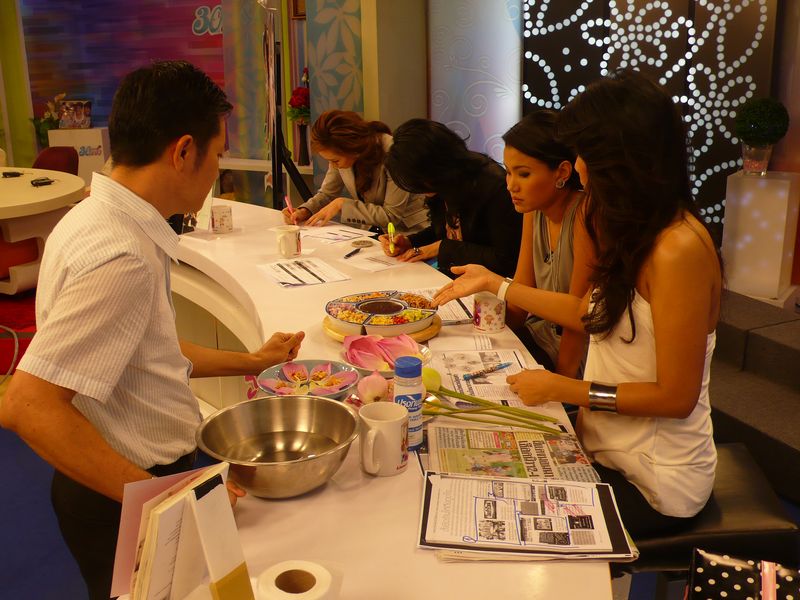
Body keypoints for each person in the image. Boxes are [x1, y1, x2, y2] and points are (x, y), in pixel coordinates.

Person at [0, 61, 305, 600]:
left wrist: (253, 362)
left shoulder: (97, 217)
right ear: (183, 151)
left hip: (112, 482)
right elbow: (26, 404)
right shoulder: (122, 255)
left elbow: (144, 350)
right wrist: (168, 499)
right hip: (118, 488)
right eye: (217, 154)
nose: (218, 170)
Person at [432, 69, 722, 538]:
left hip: (654, 482)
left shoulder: (678, 248)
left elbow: (676, 397)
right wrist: (498, 286)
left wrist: (565, 389)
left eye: (584, 154)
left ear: (618, 159)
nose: (579, 167)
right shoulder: (629, 228)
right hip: (603, 450)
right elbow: (589, 312)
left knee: (485, 523)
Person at [500, 111, 594, 376]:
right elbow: (519, 298)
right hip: (540, 338)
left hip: (581, 356)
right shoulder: (533, 211)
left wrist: (561, 385)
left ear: (562, 172)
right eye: (508, 172)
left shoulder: (584, 214)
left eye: (523, 174)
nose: (511, 186)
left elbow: (578, 321)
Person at [377, 118, 522, 278]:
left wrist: (442, 248)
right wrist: (410, 242)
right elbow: (445, 230)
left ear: (434, 165)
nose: (420, 191)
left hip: (490, 284)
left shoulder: (494, 187)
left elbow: (506, 259)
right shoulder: (444, 184)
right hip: (458, 277)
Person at [281, 110, 429, 233]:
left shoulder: (393, 153)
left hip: (410, 233)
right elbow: (327, 194)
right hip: (374, 233)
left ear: (352, 149)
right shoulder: (341, 156)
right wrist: (304, 211)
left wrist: (342, 204)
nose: (333, 166)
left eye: (335, 160)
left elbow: (391, 215)